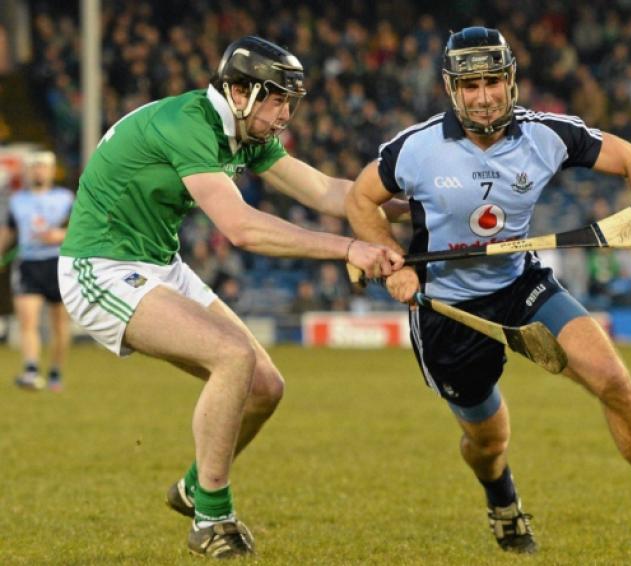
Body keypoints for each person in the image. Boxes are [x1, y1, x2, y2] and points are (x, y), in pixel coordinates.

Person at [346, 26, 631, 554]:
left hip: (521, 283)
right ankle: (502, 501)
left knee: (612, 379)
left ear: (511, 81)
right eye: (470, 85)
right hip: (447, 307)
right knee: (488, 443)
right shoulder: (415, 149)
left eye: (493, 80)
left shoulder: (546, 135)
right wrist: (393, 262)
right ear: (450, 89)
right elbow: (359, 199)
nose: (483, 95)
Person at [57, 36, 404, 559]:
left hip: (158, 263)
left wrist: (410, 210)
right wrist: (349, 248)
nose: (285, 114)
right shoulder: (189, 124)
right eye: (276, 99)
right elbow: (241, 228)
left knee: (265, 387)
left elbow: (329, 192)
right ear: (238, 90)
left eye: (290, 101)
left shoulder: (245, 130)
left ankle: (196, 485)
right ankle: (211, 519)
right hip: (99, 265)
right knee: (232, 355)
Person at [0, 150, 73, 391]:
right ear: (27, 171)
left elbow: (82, 232)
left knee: (60, 325)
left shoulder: (66, 199)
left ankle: (55, 371)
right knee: (28, 322)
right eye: (34, 167)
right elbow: (8, 233)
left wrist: (59, 235)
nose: (38, 171)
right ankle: (31, 370)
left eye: (43, 166)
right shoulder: (18, 201)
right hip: (28, 264)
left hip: (59, 264)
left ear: (51, 171)